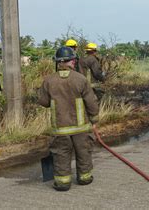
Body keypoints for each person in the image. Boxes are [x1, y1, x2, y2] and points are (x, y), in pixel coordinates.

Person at [38, 46, 99, 192]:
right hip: (81, 129)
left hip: (60, 129)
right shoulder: (81, 79)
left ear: (58, 62)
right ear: (71, 61)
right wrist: (94, 119)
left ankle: (63, 183)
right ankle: (84, 178)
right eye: (73, 60)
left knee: (61, 154)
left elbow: (44, 102)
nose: (74, 62)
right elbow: (91, 102)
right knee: (83, 152)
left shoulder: (48, 81)